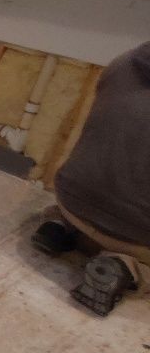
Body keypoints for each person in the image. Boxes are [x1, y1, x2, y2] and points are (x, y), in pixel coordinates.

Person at [32, 41, 150, 315]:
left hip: (71, 200)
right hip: (137, 231)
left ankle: (60, 228)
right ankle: (127, 266)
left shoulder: (124, 62)